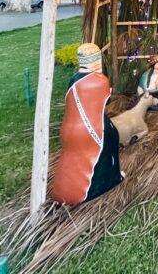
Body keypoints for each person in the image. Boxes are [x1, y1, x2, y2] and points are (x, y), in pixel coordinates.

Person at [52, 43, 123, 204]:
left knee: (72, 158)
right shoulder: (100, 81)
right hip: (91, 127)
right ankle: (101, 184)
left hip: (70, 127)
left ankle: (65, 188)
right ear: (97, 61)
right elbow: (105, 100)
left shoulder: (73, 80)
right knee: (109, 141)